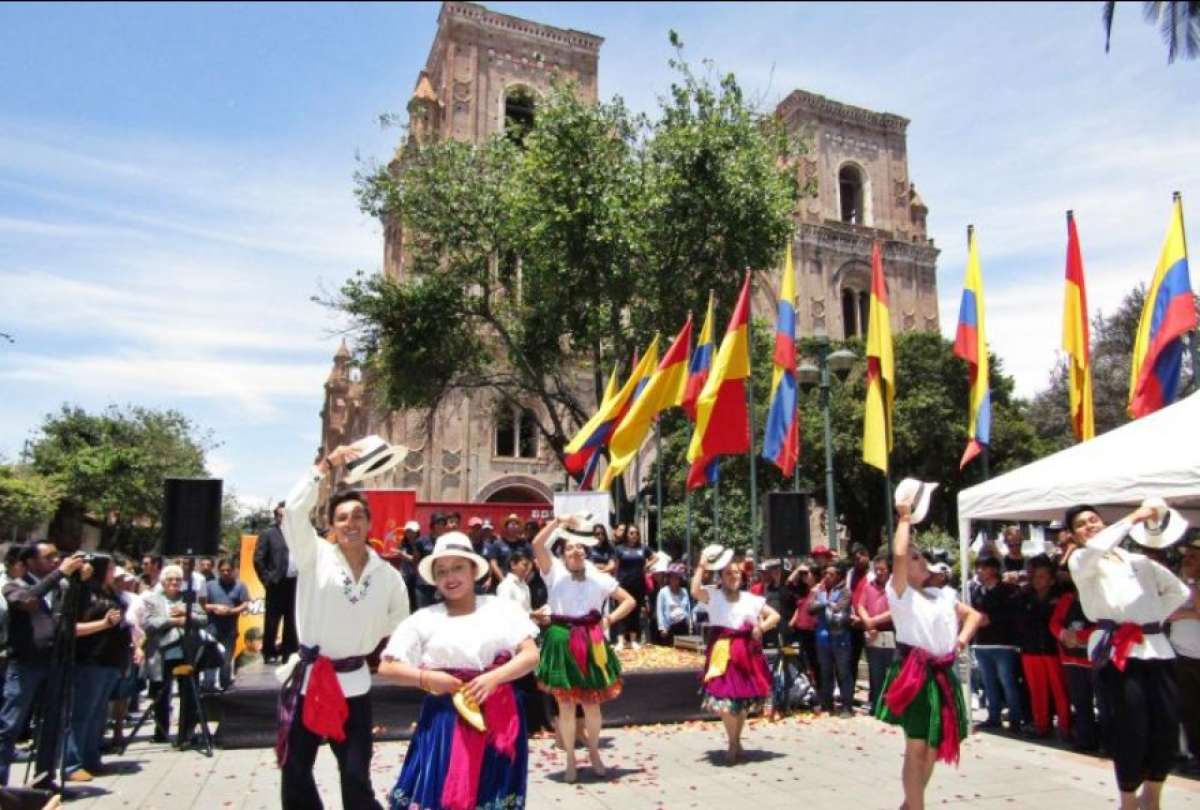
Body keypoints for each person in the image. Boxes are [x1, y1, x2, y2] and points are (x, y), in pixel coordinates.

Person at [276, 445, 410, 810]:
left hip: (354, 683)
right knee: (296, 770)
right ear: (332, 526)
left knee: (355, 774)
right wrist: (326, 465)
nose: (350, 523)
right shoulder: (314, 555)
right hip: (310, 681)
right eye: (342, 518)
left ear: (369, 523)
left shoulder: (387, 575)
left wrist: (366, 631)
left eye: (357, 517)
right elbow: (293, 512)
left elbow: (399, 620)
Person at [380, 532, 540, 810]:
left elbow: (530, 655)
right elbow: (388, 666)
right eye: (441, 571)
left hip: (498, 717)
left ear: (473, 571)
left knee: (493, 790)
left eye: (457, 567)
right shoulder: (424, 619)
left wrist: (495, 677)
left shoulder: (501, 608)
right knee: (443, 789)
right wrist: (426, 677)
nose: (450, 577)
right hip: (445, 719)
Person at [1066, 501, 1190, 810]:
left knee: (1165, 725)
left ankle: (1153, 797)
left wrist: (1149, 618)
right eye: (1081, 524)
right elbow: (1097, 548)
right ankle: (1128, 801)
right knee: (1129, 727)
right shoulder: (1082, 559)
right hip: (1117, 652)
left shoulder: (1138, 561)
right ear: (1074, 535)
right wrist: (1134, 517)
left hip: (1156, 648)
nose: (1089, 525)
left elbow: (1180, 592)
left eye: (1094, 520)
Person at [875, 488, 982, 810]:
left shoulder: (942, 595)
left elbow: (974, 616)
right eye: (913, 557)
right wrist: (904, 518)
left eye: (919, 556)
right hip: (915, 672)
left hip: (942, 671)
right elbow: (898, 554)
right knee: (917, 746)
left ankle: (909, 805)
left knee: (934, 746)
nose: (918, 559)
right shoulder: (900, 594)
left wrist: (960, 641)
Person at [532, 516, 635, 783]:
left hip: (591, 640)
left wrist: (609, 620)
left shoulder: (599, 577)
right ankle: (569, 759)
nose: (575, 551)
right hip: (561, 639)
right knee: (565, 705)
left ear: (586, 551)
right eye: (569, 547)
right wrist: (557, 522)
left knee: (592, 704)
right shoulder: (553, 571)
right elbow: (537, 544)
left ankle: (594, 751)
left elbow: (629, 601)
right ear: (563, 552)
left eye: (579, 547)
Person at [0, 545, 85, 787]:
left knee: (52, 724)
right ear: (30, 561)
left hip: (55, 662)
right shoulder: (14, 585)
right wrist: (59, 574)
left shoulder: (60, 587)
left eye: (57, 556)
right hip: (25, 665)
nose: (56, 560)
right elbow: (26, 600)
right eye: (48, 557)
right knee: (10, 724)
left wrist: (80, 580)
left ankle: (44, 778)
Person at [691, 544, 779, 764]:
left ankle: (736, 740)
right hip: (722, 652)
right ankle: (732, 742)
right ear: (721, 576)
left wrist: (761, 628)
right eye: (729, 573)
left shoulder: (750, 599)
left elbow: (774, 616)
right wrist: (702, 565)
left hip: (746, 654)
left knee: (742, 700)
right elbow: (694, 590)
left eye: (737, 573)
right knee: (726, 699)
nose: (733, 577)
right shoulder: (714, 596)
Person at [63, 558, 129, 783]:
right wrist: (104, 623)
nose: (113, 572)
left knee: (98, 714)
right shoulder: (84, 592)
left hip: (111, 659)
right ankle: (71, 764)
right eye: (109, 568)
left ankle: (91, 757)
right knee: (82, 714)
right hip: (90, 659)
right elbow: (73, 626)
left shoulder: (110, 592)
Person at [141, 564, 210, 748]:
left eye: (178, 579)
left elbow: (203, 618)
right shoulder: (153, 599)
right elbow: (149, 624)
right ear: (163, 582)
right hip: (161, 653)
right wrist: (174, 621)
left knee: (188, 693)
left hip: (186, 652)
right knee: (161, 694)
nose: (174, 582)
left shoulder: (189, 598)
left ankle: (185, 734)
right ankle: (161, 732)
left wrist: (186, 615)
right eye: (170, 579)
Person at [968, 555, 1025, 733]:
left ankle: (1015, 718)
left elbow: (1013, 614)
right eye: (977, 568)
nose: (979, 571)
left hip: (1003, 644)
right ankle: (993, 717)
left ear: (994, 570)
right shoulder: (977, 591)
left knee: (1008, 681)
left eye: (983, 568)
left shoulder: (1008, 590)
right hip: (982, 644)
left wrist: (991, 618)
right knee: (988, 682)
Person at [1017, 554, 1070, 740]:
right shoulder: (1025, 597)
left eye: (1042, 576)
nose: (1037, 580)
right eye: (1035, 576)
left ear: (1051, 580)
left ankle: (1065, 726)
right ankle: (1041, 725)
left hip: (1053, 650)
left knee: (1060, 690)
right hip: (1030, 650)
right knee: (1037, 691)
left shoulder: (1060, 597)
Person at [1048, 569, 1102, 752]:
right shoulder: (1067, 599)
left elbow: (1103, 626)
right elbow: (1055, 622)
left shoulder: (1101, 600)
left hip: (1094, 660)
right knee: (1080, 701)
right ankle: (1085, 739)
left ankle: (1108, 741)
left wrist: (1079, 636)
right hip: (1070, 658)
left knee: (1104, 703)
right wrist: (1064, 634)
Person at [1169, 535, 1200, 772]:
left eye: (1194, 556)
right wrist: (1190, 614)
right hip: (1183, 655)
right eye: (1187, 555)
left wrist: (1192, 583)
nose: (1187, 559)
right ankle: (1195, 754)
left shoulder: (1190, 584)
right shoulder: (1177, 584)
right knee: (1189, 710)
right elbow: (1166, 613)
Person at [253, 502, 298, 664]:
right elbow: (258, 559)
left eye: (287, 515)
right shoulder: (269, 534)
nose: (284, 518)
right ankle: (269, 652)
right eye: (280, 515)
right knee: (272, 620)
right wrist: (267, 580)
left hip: (295, 583)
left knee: (292, 620)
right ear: (276, 517)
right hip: (276, 583)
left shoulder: (298, 534)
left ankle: (289, 652)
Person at [810, 562, 855, 715]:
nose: (827, 577)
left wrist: (823, 603)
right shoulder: (821, 590)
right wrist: (826, 603)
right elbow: (810, 608)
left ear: (839, 576)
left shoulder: (845, 591)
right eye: (826, 574)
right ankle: (827, 704)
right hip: (822, 638)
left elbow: (839, 609)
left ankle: (847, 706)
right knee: (825, 672)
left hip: (840, 637)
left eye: (831, 574)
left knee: (843, 672)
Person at [203, 558, 250, 692]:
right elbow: (202, 604)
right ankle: (208, 686)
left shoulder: (240, 586)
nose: (225, 573)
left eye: (228, 570)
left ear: (233, 571)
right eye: (222, 570)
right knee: (210, 657)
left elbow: (245, 604)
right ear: (218, 571)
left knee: (226, 659)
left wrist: (231, 611)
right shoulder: (210, 585)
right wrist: (215, 607)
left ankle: (225, 685)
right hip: (212, 627)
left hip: (230, 629)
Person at [855, 554, 894, 710]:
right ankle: (877, 706)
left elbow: (896, 610)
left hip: (891, 633)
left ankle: (891, 707)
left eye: (882, 569)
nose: (879, 572)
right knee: (875, 672)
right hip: (871, 633)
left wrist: (874, 621)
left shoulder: (895, 587)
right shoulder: (868, 586)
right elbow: (860, 606)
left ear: (889, 569)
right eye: (876, 569)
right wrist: (868, 623)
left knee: (892, 672)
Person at [612, 525, 656, 650]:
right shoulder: (619, 549)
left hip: (638, 584)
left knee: (635, 612)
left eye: (636, 533)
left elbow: (655, 557)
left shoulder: (643, 548)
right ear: (626, 534)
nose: (634, 535)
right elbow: (616, 567)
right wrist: (614, 582)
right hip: (623, 584)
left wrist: (647, 566)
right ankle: (620, 641)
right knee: (621, 612)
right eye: (631, 533)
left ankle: (633, 640)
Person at [655, 564, 692, 645]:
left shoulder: (684, 591)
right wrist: (662, 628)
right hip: (669, 627)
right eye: (672, 577)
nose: (675, 579)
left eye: (677, 577)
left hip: (683, 625)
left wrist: (690, 625)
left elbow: (688, 609)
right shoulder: (663, 592)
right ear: (669, 578)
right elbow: (660, 611)